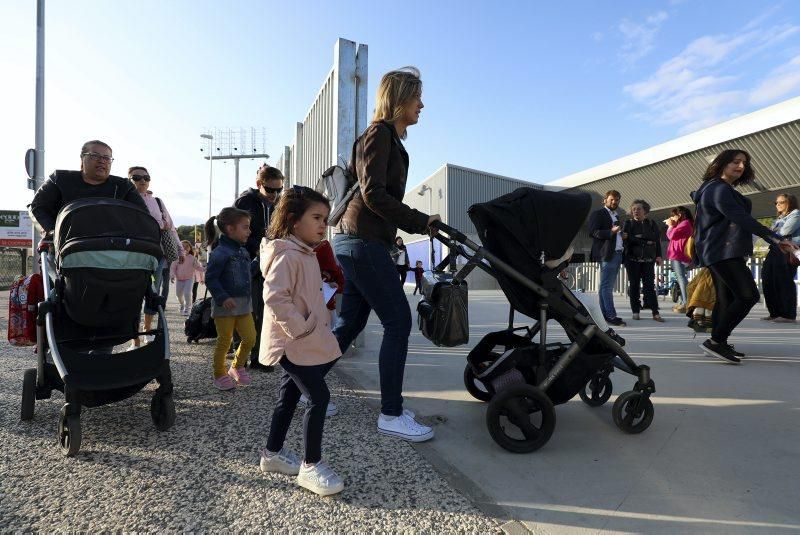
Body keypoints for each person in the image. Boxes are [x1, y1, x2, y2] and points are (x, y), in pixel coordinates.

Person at [332, 66, 440, 442]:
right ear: (399, 99)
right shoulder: (378, 134)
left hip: (362, 240)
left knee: (349, 325)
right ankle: (391, 414)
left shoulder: (388, 139)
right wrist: (419, 220)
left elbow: (375, 199)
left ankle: (302, 387)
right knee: (398, 322)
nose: (422, 105)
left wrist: (394, 234)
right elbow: (375, 193)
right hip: (360, 242)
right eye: (416, 98)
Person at [258, 186, 344, 496]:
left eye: (326, 218)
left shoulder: (305, 252)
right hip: (293, 342)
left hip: (300, 338)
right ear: (294, 222)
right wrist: (300, 328)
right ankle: (311, 466)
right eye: (317, 217)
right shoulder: (288, 254)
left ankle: (272, 454)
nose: (324, 224)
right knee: (319, 397)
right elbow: (275, 297)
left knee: (289, 397)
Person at [691, 149, 799, 363]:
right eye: (735, 162)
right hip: (723, 250)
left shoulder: (716, 188)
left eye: (744, 163)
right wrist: (775, 239)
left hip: (719, 250)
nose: (740, 166)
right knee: (748, 295)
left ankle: (718, 343)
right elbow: (739, 217)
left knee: (727, 298)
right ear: (721, 163)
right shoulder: (718, 189)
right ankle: (715, 341)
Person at [30, 140, 146, 234]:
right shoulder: (60, 179)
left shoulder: (124, 186)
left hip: (115, 248)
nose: (102, 161)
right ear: (82, 158)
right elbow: (37, 207)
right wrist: (51, 233)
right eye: (95, 156)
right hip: (68, 247)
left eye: (106, 158)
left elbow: (143, 217)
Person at [234, 164, 284, 372]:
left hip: (270, 263)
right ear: (259, 184)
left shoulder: (280, 203)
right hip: (247, 261)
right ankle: (241, 357)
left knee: (266, 311)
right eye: (270, 190)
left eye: (279, 189)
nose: (274, 194)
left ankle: (259, 357)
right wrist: (257, 247)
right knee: (246, 310)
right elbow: (236, 231)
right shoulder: (245, 201)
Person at [129, 166, 184, 347]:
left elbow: (172, 227)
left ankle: (147, 332)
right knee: (132, 295)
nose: (142, 180)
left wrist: (180, 250)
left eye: (146, 177)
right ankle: (134, 338)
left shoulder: (157, 201)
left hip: (158, 255)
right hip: (133, 255)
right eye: (137, 177)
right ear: (129, 180)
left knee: (153, 293)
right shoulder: (124, 199)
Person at [204, 207, 256, 390]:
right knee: (224, 340)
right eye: (245, 227)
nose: (249, 231)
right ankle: (219, 374)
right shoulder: (220, 252)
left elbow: (248, 274)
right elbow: (210, 277)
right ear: (230, 229)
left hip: (243, 305)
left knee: (250, 337)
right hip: (225, 306)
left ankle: (237, 367)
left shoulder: (243, 252)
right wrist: (222, 296)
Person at [588, 190, 626, 326]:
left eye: (617, 200)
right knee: (607, 286)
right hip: (607, 254)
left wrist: (621, 235)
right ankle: (610, 315)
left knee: (604, 286)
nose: (615, 202)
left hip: (616, 253)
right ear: (604, 200)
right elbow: (593, 232)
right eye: (612, 199)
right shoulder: (598, 214)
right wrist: (611, 232)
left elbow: (615, 234)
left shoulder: (616, 215)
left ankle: (603, 315)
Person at [761, 193, 800, 323]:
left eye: (781, 202)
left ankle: (788, 314)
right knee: (767, 279)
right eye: (776, 202)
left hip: (786, 251)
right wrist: (770, 233)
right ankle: (774, 313)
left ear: (790, 203)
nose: (777, 204)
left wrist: (769, 233)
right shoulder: (779, 218)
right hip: (774, 249)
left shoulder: (795, 215)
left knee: (783, 281)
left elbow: (783, 233)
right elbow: (770, 235)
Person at [622, 199, 664, 322]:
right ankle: (635, 311)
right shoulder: (628, 224)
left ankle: (655, 312)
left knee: (649, 286)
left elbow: (656, 241)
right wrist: (645, 241)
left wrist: (659, 256)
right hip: (632, 259)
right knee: (634, 285)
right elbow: (625, 240)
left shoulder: (651, 224)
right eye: (634, 209)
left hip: (648, 260)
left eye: (638, 209)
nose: (635, 211)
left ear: (645, 211)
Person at [665, 206, 694, 313]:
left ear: (680, 215)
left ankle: (686, 302)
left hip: (678, 254)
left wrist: (670, 226)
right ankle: (683, 301)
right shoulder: (686, 223)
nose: (672, 217)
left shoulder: (685, 224)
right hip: (680, 255)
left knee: (681, 278)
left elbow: (671, 235)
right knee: (681, 278)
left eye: (673, 215)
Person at [170, 240, 205, 316]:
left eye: (187, 246)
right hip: (179, 279)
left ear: (190, 248)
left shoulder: (192, 258)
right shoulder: (177, 257)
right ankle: (182, 304)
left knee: (187, 293)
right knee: (178, 294)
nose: (185, 248)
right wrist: (172, 276)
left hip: (189, 279)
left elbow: (198, 267)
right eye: (183, 246)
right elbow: (173, 268)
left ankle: (187, 308)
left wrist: (206, 269)